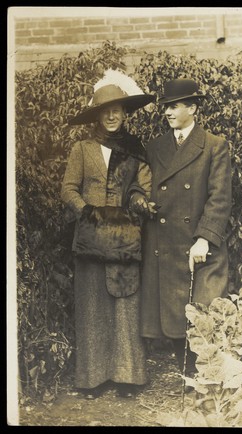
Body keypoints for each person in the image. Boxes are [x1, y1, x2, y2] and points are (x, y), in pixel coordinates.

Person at [61, 69, 155, 399]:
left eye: (118, 109)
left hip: (124, 236)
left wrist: (142, 202)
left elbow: (140, 187)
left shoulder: (134, 149)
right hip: (90, 237)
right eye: (106, 110)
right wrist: (85, 211)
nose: (112, 115)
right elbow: (68, 189)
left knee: (125, 306)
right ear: (98, 116)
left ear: (125, 114)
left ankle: (127, 379)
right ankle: (93, 380)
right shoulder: (82, 149)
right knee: (92, 308)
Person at [140, 78, 232, 382]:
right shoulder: (155, 147)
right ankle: (188, 373)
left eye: (175, 106)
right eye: (166, 106)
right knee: (174, 310)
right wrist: (141, 201)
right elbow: (138, 184)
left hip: (199, 243)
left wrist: (205, 238)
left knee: (201, 310)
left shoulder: (214, 146)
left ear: (192, 108)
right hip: (164, 241)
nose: (167, 112)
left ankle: (202, 376)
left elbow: (219, 197)